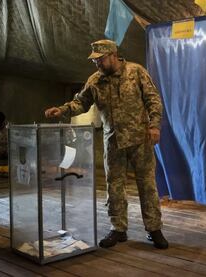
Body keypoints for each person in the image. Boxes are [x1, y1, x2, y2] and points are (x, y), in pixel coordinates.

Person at [44, 39, 168, 249]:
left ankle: (154, 229)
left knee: (147, 185)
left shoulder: (136, 72)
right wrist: (62, 110)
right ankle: (118, 229)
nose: (97, 64)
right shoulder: (95, 80)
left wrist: (154, 126)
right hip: (113, 141)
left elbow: (153, 99)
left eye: (100, 59)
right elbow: (80, 102)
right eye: (95, 61)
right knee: (114, 186)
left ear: (113, 55)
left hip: (140, 140)